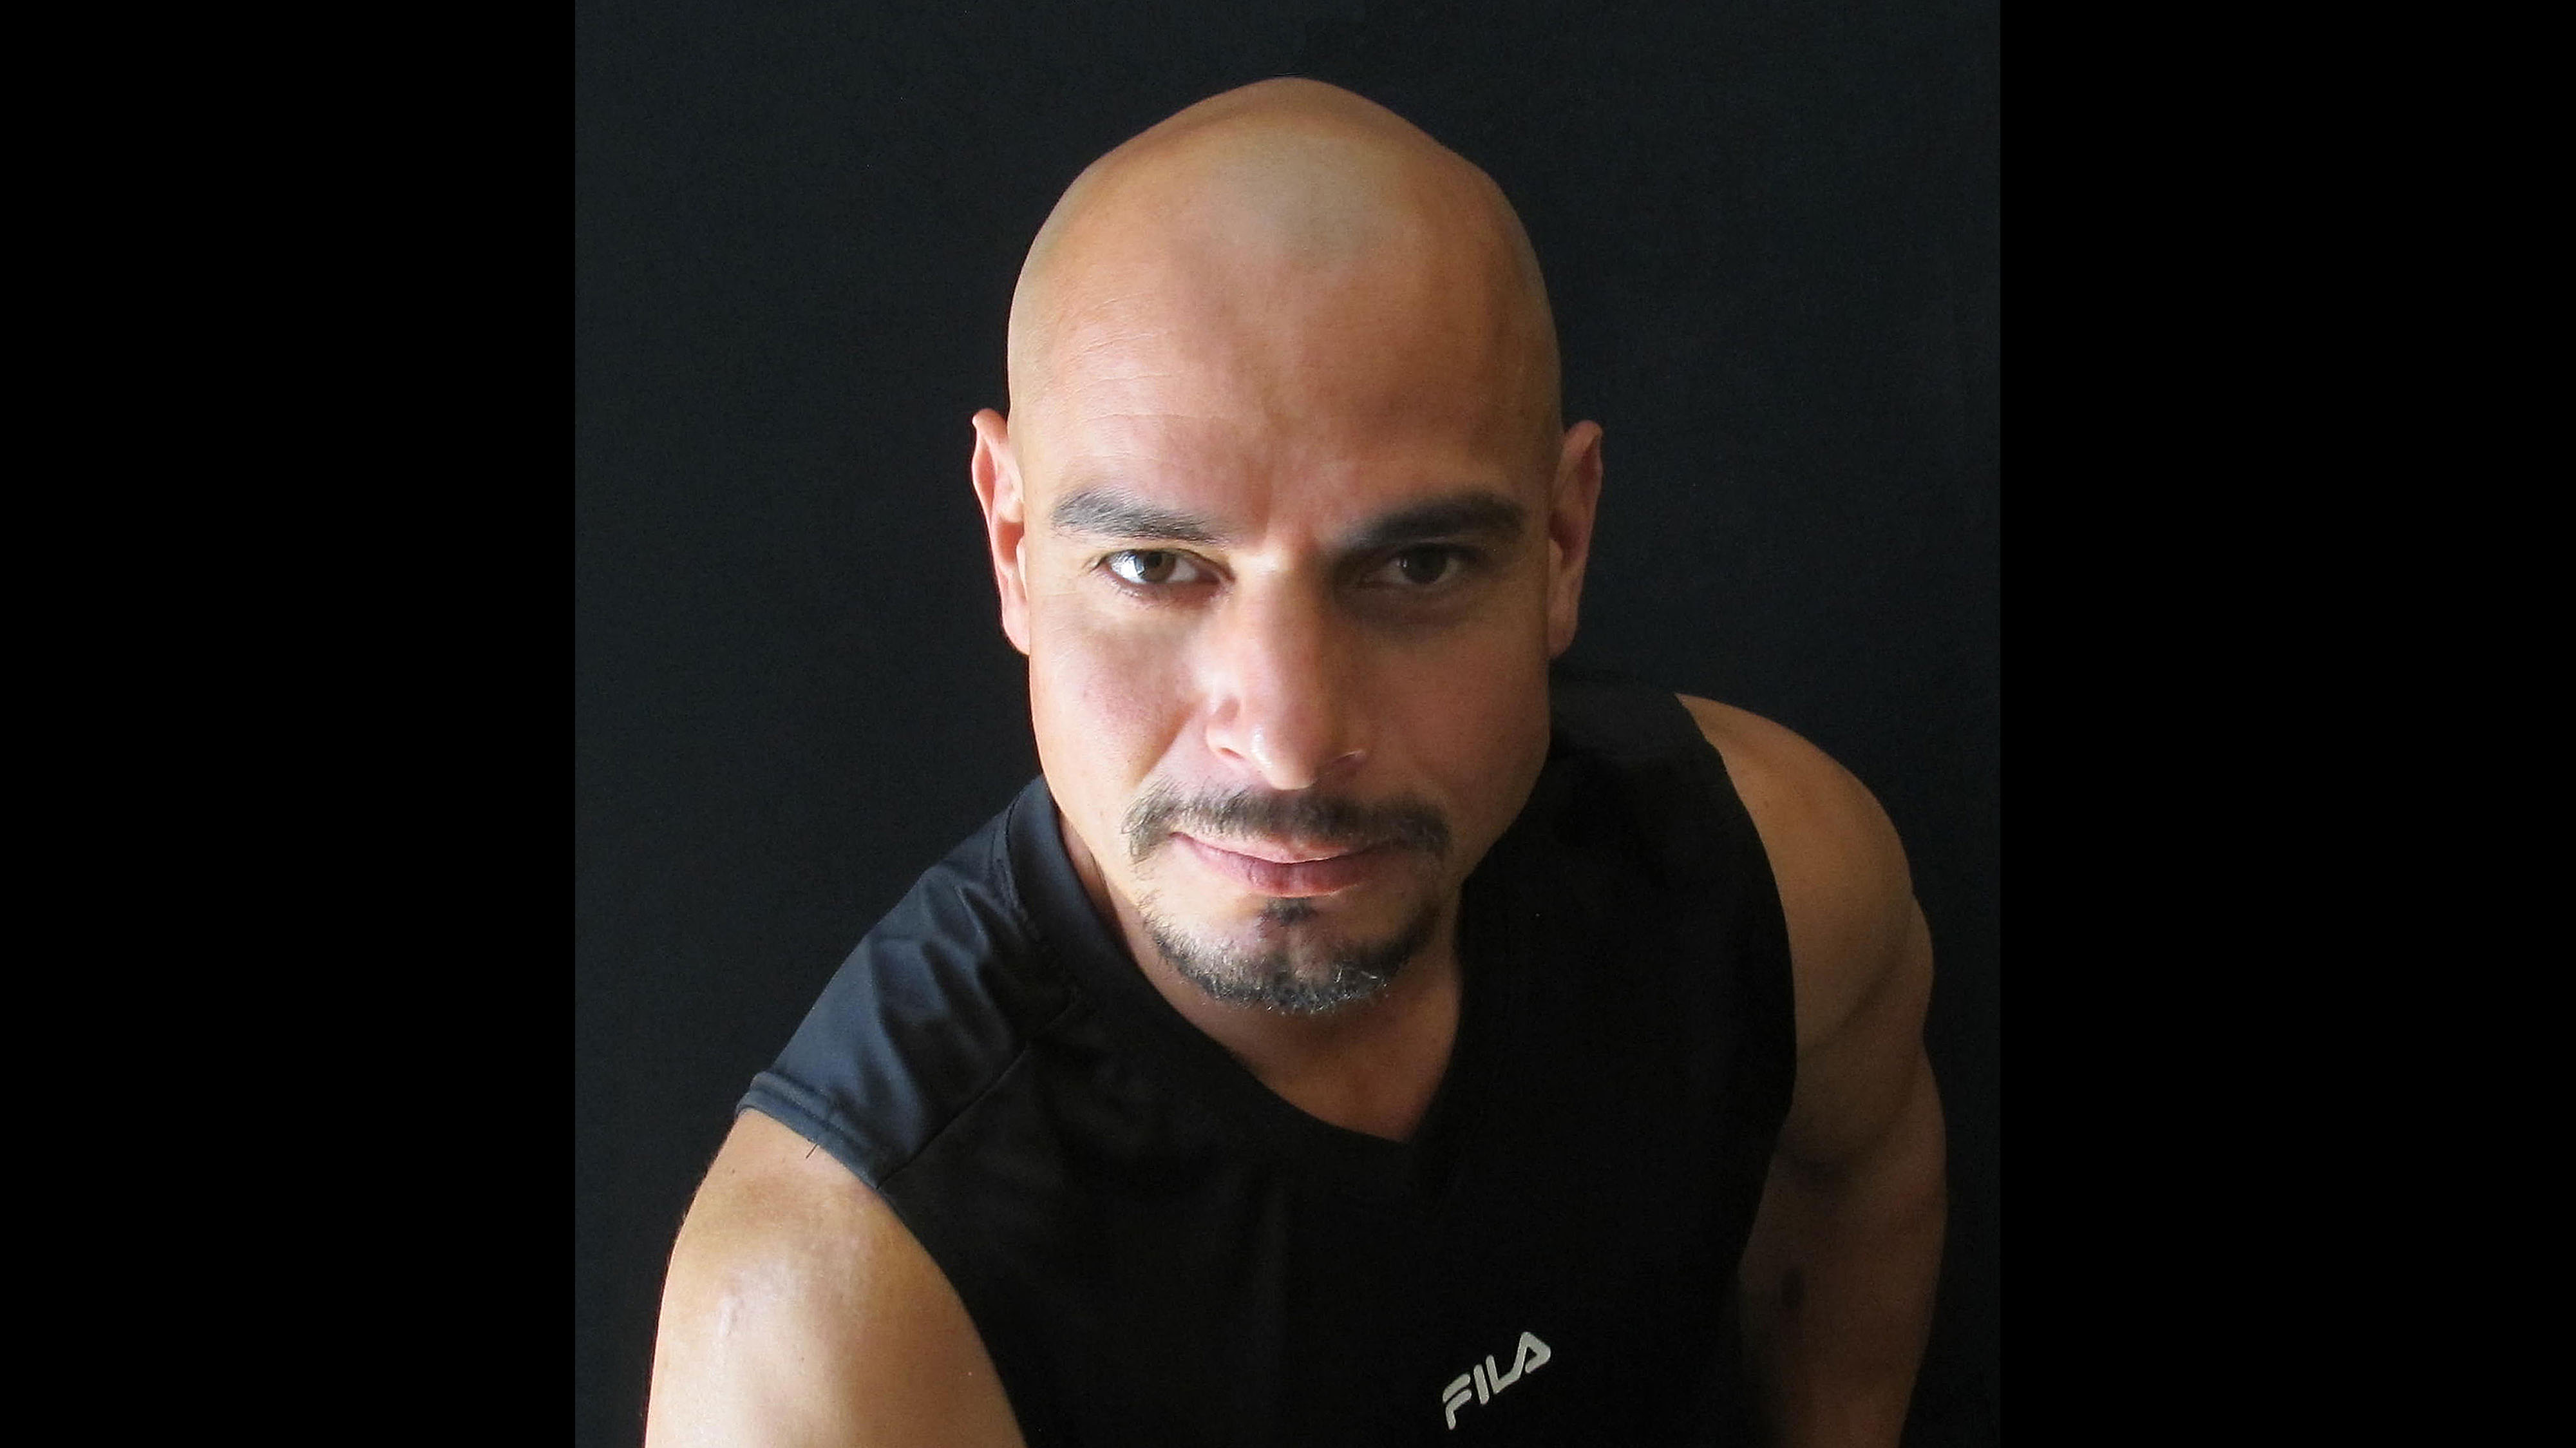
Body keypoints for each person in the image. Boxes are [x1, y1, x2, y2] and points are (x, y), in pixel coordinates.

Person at [645, 77, 1944, 1446]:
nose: (1289, 740)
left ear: (1561, 546)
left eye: (1416, 566)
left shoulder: (1772, 876)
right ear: (1013, 546)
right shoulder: (835, 1333)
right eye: (1156, 566)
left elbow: (1858, 1192)